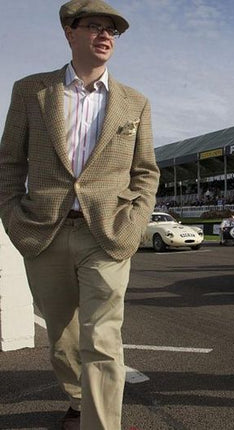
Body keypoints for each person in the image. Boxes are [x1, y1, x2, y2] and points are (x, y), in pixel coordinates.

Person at [0, 1, 160, 428]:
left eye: (113, 30)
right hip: (44, 231)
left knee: (103, 339)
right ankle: (76, 398)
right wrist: (14, 219)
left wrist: (134, 222)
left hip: (106, 234)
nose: (106, 35)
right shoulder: (31, 91)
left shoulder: (135, 102)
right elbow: (9, 164)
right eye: (95, 26)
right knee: (62, 339)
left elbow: (146, 172)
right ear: (70, 33)